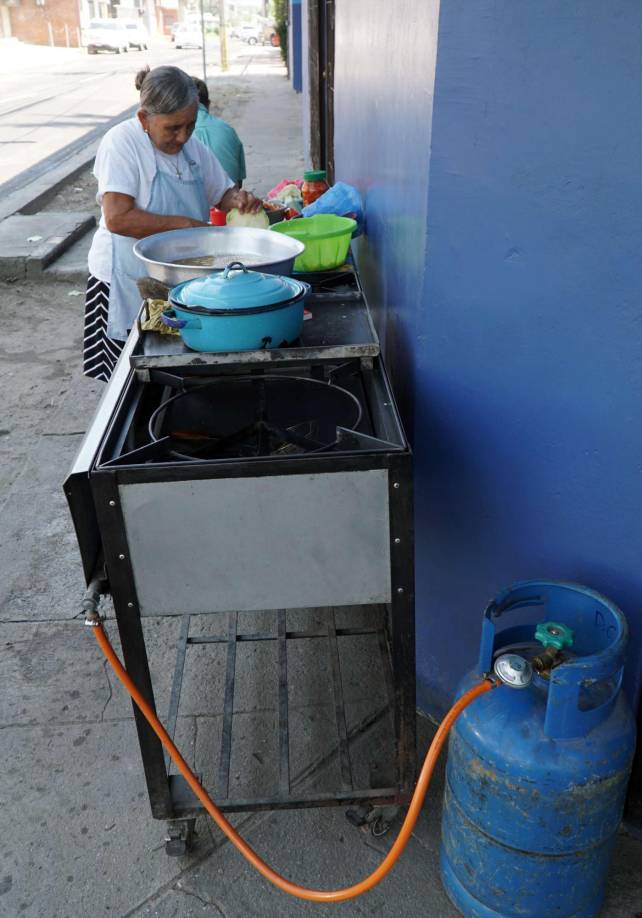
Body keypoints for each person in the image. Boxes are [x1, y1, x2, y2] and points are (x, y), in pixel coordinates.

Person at [84, 65, 261, 382]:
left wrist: (239, 200)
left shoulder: (193, 148)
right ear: (144, 119)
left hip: (177, 277)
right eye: (172, 128)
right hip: (123, 279)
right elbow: (117, 218)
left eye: (190, 126)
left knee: (174, 367)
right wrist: (187, 228)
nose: (182, 136)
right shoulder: (122, 143)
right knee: (128, 379)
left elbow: (221, 192)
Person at [191, 76, 246, 188]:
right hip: (233, 201)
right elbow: (238, 183)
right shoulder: (227, 129)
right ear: (208, 104)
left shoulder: (180, 137)